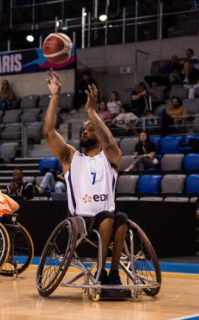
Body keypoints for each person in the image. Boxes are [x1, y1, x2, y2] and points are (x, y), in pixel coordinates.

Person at [43, 70, 129, 297]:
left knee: (120, 218)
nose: (85, 132)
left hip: (107, 219)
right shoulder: (71, 157)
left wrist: (91, 112)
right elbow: (49, 132)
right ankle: (100, 273)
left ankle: (113, 274)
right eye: (83, 130)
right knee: (109, 216)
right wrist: (55, 97)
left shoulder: (110, 157)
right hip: (81, 221)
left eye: (90, 129)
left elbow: (109, 142)